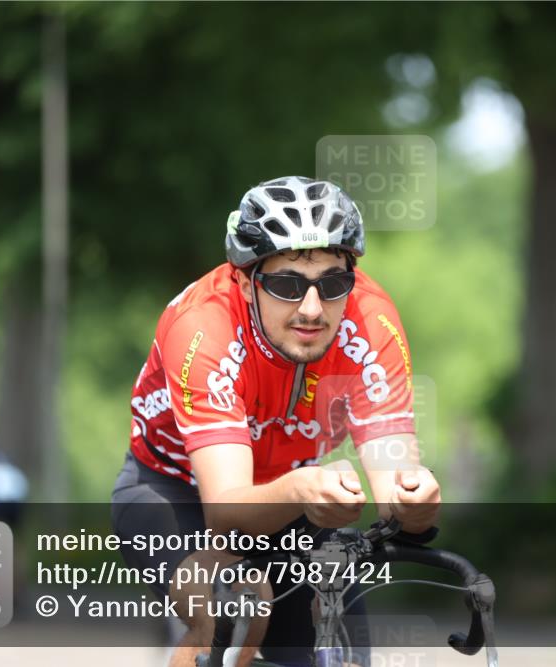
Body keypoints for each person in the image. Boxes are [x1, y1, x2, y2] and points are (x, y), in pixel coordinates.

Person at [111, 176, 441, 667]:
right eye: (288, 284)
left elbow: (397, 497)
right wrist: (301, 489)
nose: (312, 308)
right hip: (174, 492)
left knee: (339, 639)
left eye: (332, 283)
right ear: (246, 280)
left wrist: (416, 502)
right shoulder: (204, 327)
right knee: (232, 605)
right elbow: (225, 514)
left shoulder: (371, 323)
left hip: (297, 500)